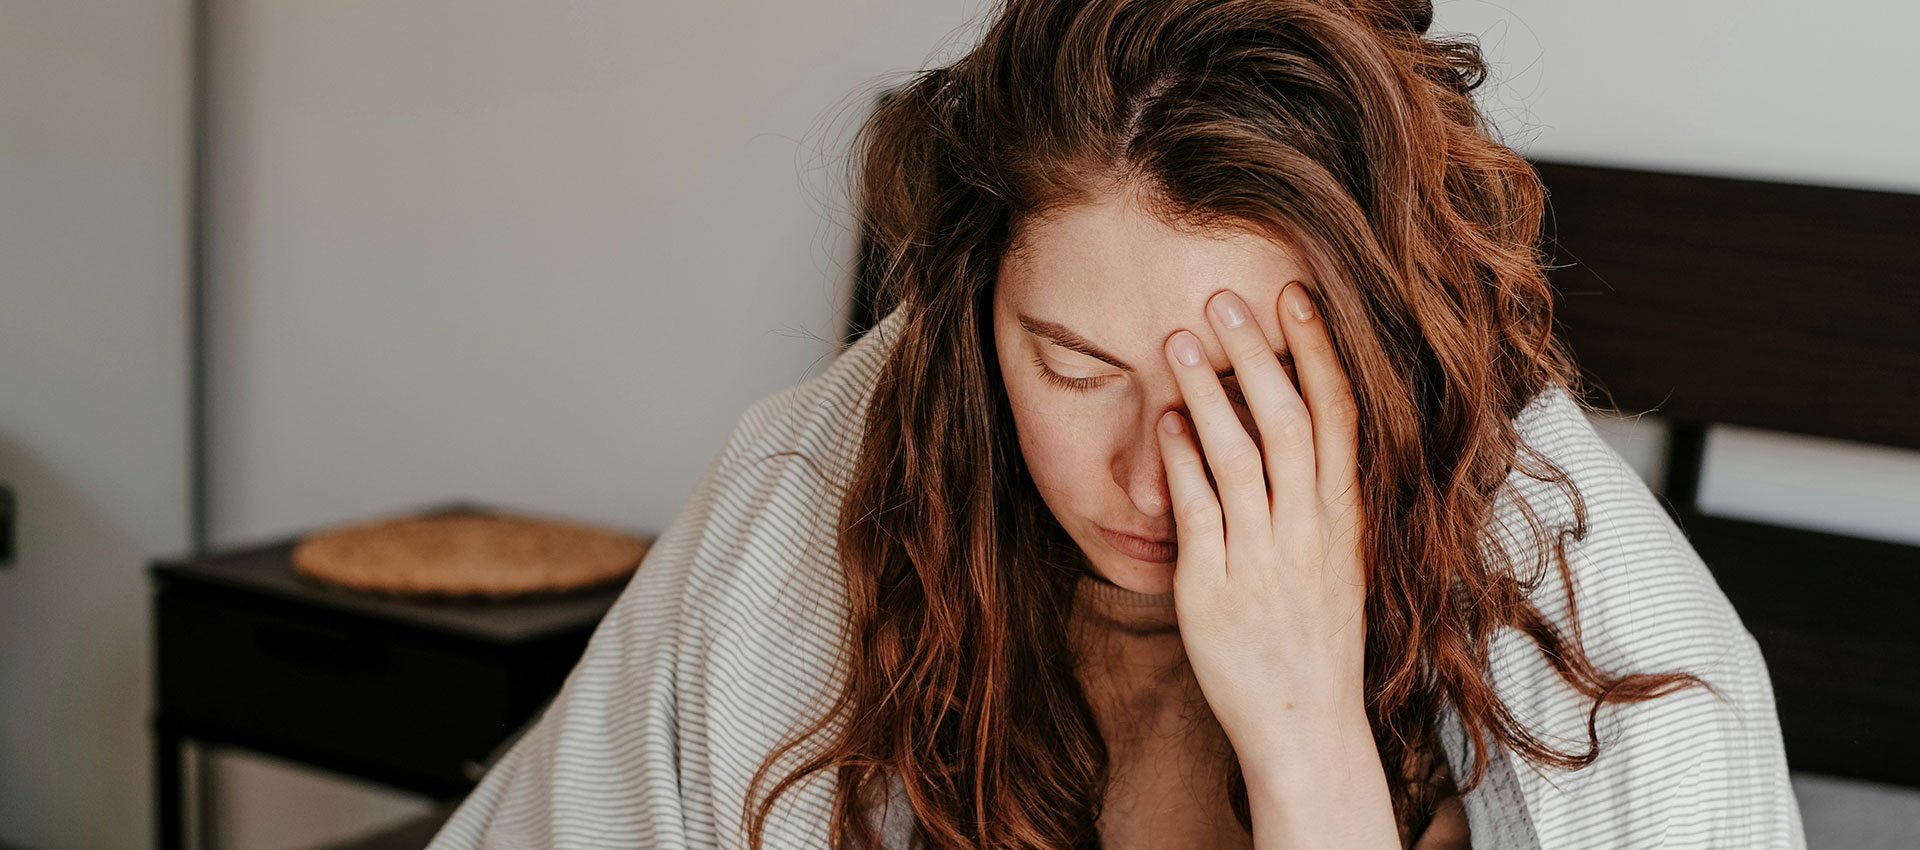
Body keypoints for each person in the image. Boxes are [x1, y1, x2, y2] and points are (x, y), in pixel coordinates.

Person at [426, 0, 1805, 848]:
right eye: (1074, 368)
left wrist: (1305, 734)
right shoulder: (829, 465)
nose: (1150, 476)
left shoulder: (1622, 662)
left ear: (1380, 348)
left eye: (1243, 390)